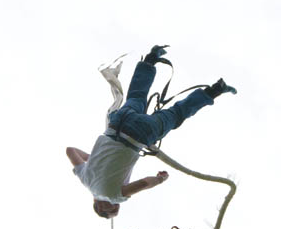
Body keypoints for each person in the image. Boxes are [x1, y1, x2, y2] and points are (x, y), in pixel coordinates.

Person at [66, 45, 237, 218]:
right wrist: (95, 159)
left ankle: (216, 89)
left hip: (139, 135)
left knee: (176, 114)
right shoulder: (85, 179)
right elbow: (70, 150)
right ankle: (151, 58)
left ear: (100, 207)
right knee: (136, 95)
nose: (116, 206)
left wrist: (160, 179)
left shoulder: (112, 196)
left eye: (113, 209)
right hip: (117, 123)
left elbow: (143, 183)